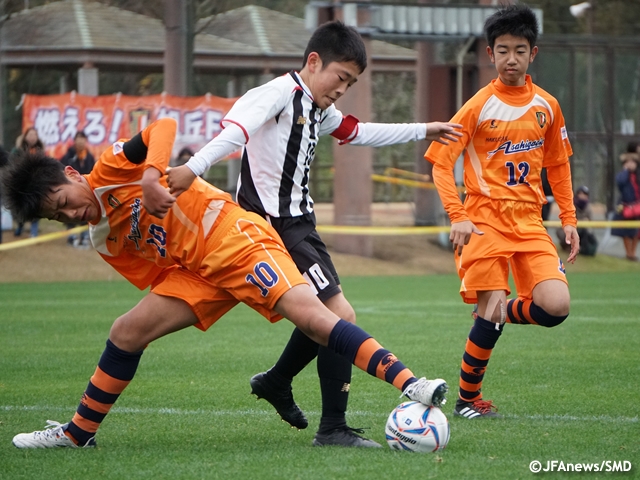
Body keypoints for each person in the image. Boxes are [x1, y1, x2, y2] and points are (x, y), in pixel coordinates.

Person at [3, 117, 447, 449]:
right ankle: (78, 435)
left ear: (72, 175)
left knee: (317, 318)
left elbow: (162, 125)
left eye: (64, 202)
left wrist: (152, 175)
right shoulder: (104, 240)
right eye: (55, 216)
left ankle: (410, 383)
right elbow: (157, 273)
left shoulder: (112, 170)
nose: (69, 215)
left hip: (234, 237)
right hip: (197, 272)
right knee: (126, 332)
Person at [167, 21, 461, 447]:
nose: (343, 88)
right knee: (340, 317)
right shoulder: (277, 94)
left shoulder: (319, 109)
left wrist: (423, 130)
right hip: (270, 228)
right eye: (341, 77)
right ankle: (332, 428)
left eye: (351, 82)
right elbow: (236, 132)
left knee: (325, 318)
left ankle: (278, 381)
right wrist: (192, 168)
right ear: (313, 61)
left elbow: (359, 133)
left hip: (300, 227)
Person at [425, 4, 580, 419]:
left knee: (556, 306)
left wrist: (569, 219)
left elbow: (558, 165)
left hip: (530, 221)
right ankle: (467, 400)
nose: (512, 59)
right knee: (489, 305)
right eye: (503, 50)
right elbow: (441, 161)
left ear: (534, 53)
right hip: (483, 220)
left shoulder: (548, 106)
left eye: (520, 50)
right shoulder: (477, 105)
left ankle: (500, 315)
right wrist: (456, 214)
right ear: (490, 54)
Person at [60, 130, 95, 247]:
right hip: (71, 190)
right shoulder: (68, 156)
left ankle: (85, 236)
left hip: (86, 190)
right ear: (74, 141)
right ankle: (72, 236)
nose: (80, 142)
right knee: (71, 213)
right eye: (78, 139)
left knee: (85, 213)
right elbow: (62, 170)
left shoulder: (89, 157)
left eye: (83, 139)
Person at [11, 127, 44, 237]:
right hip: (21, 184)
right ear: (25, 136)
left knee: (36, 207)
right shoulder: (18, 150)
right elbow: (11, 164)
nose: (32, 137)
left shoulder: (40, 151)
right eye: (30, 134)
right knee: (20, 207)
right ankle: (20, 226)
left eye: (34, 135)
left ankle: (33, 232)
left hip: (36, 184)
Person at [611, 142, 640, 261]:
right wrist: (626, 170)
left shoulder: (638, 173)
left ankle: (633, 253)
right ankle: (628, 254)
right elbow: (620, 183)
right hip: (625, 205)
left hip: (637, 204)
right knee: (625, 230)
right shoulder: (623, 174)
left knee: (636, 231)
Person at [557, 185, 598, 256]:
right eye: (581, 194)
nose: (583, 196)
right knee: (565, 232)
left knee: (588, 235)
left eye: (585, 194)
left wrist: (586, 223)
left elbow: (590, 224)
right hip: (570, 228)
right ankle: (568, 246)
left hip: (582, 231)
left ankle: (582, 248)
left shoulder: (588, 208)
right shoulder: (571, 205)